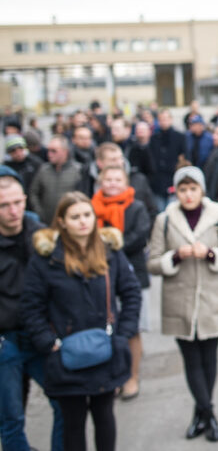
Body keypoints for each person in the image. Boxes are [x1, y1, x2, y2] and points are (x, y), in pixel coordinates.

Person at [20, 192, 141, 451]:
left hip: (105, 350)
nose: (83, 222)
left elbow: (131, 292)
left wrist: (124, 333)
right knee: (73, 423)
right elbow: (32, 306)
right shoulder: (46, 259)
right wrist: (48, 342)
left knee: (105, 416)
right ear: (62, 221)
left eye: (87, 215)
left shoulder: (110, 252)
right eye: (75, 217)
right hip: (66, 355)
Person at [147, 166, 218, 442]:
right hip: (180, 300)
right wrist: (175, 256)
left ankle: (201, 414)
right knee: (191, 359)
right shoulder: (164, 220)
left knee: (209, 357)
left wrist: (210, 253)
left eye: (193, 189)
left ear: (202, 190)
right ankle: (208, 413)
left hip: (214, 298)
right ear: (176, 192)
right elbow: (152, 263)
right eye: (183, 190)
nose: (188, 195)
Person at [0, 175, 63, 451]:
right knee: (11, 417)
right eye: (4, 205)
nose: (13, 211)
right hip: (7, 343)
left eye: (17, 203)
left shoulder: (41, 236)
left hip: (41, 336)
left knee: (64, 403)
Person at [90, 165, 151, 400]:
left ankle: (132, 376)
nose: (113, 183)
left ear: (125, 182)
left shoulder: (135, 207)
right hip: (99, 275)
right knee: (106, 327)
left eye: (117, 179)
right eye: (108, 179)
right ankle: (114, 374)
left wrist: (109, 247)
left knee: (131, 328)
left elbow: (138, 236)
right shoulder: (93, 208)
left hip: (131, 274)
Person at [29, 135, 82, 225]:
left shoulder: (78, 170)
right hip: (46, 221)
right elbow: (33, 192)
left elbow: (82, 196)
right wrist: (39, 212)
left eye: (54, 151)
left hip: (70, 222)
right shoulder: (43, 169)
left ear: (65, 152)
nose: (49, 154)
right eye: (48, 150)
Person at [148, 110, 186, 213]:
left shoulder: (180, 137)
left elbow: (183, 157)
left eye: (166, 119)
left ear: (171, 120)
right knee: (160, 211)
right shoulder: (154, 138)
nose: (163, 122)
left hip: (173, 179)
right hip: (158, 182)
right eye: (161, 119)